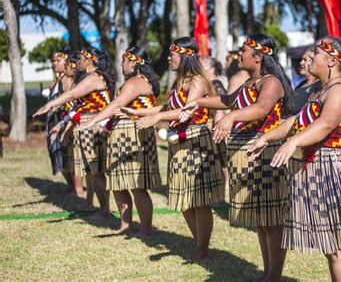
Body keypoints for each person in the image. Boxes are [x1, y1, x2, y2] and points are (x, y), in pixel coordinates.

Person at [247, 37, 341, 281]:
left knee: (340, 248)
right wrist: (266, 138)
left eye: (317, 53)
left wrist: (293, 142)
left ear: (332, 61)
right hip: (320, 169)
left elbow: (326, 124)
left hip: (335, 168)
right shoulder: (320, 90)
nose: (310, 57)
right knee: (332, 247)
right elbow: (294, 122)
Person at [180, 33, 294, 281]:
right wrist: (197, 102)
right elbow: (227, 100)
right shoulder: (249, 82)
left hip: (264, 154)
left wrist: (231, 117)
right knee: (260, 219)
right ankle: (267, 273)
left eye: (243, 50)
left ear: (259, 56)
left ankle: (274, 275)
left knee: (270, 218)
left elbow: (262, 108)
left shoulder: (271, 81)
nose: (239, 54)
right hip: (247, 154)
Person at [122, 37, 224, 260]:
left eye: (172, 54)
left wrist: (157, 117)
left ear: (185, 55)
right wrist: (141, 112)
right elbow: (169, 107)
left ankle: (202, 248)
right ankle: (199, 244)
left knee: (198, 199)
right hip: (179, 143)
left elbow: (184, 111)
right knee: (184, 199)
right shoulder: (180, 81)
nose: (168, 58)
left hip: (196, 141)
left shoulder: (197, 81)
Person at [78, 46, 161, 237]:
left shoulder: (135, 82)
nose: (122, 64)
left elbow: (116, 104)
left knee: (135, 185)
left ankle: (146, 229)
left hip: (131, 135)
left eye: (124, 60)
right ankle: (125, 225)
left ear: (134, 62)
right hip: (124, 134)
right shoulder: (137, 81)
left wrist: (93, 120)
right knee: (118, 182)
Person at [33, 46, 115, 219]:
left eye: (82, 59)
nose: (79, 63)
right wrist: (63, 123)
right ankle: (102, 209)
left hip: (93, 125)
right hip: (86, 123)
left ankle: (105, 211)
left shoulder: (94, 78)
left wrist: (49, 105)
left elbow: (72, 94)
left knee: (96, 171)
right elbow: (78, 103)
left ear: (90, 60)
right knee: (92, 171)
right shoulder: (92, 77)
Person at [49, 52, 87, 198]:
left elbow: (74, 99)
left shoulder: (74, 80)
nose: (55, 64)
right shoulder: (59, 79)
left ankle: (78, 190)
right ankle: (73, 188)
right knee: (60, 155)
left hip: (71, 119)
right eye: (54, 61)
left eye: (59, 61)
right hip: (62, 119)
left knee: (73, 155)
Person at [202, 57, 230, 202]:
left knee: (220, 162)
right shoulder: (204, 82)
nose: (200, 66)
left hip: (214, 124)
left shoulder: (216, 83)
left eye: (204, 64)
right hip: (207, 124)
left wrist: (218, 125)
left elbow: (222, 104)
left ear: (212, 69)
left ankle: (219, 197)